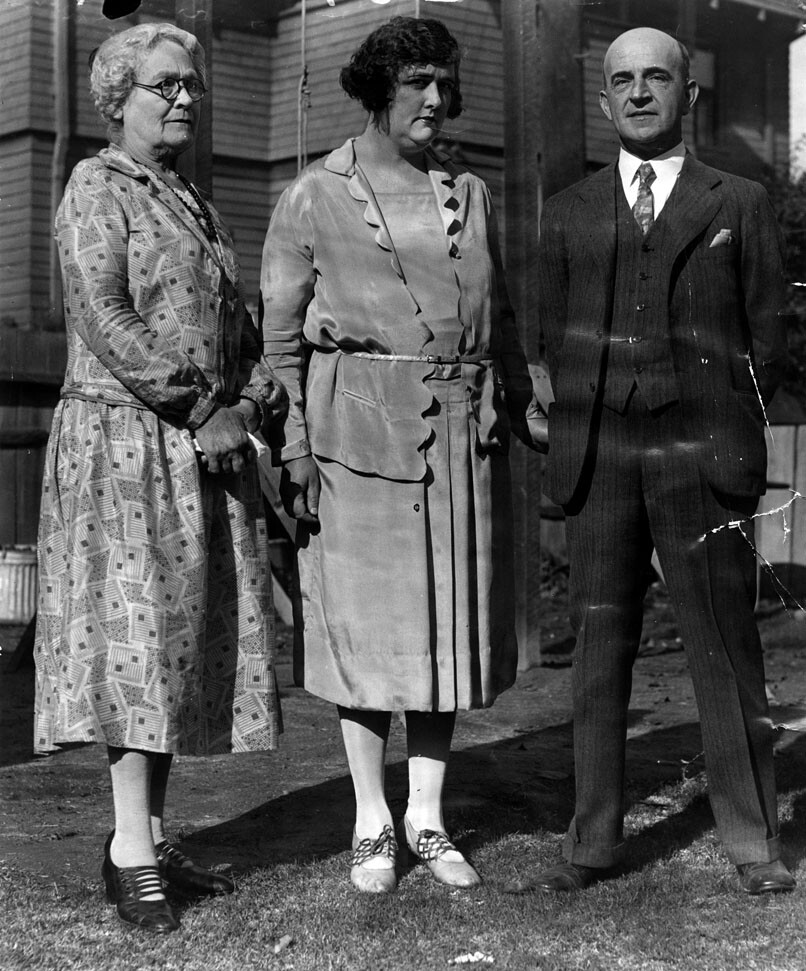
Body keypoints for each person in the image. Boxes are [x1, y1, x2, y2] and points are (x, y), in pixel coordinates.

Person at [260, 16, 546, 895]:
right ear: (378, 89)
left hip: (463, 437)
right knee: (365, 634)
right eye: (418, 82)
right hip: (355, 440)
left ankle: (426, 814)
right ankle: (370, 821)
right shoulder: (315, 195)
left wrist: (522, 405)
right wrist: (297, 451)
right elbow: (279, 343)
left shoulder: (471, 190)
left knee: (441, 629)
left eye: (444, 83)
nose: (436, 99)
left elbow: (504, 319)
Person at [518, 26, 794, 896]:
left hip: (700, 455)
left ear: (688, 96)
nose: (640, 93)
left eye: (657, 79)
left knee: (724, 644)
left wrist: (728, 430)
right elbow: (543, 336)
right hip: (600, 455)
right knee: (602, 647)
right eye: (623, 81)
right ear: (605, 101)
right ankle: (593, 838)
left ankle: (753, 841)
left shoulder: (737, 201)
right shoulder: (565, 211)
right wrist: (561, 422)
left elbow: (769, 338)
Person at [33, 23, 288, 933]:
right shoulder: (96, 188)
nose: (184, 98)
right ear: (118, 98)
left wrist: (256, 393)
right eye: (163, 86)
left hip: (197, 445)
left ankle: (144, 831)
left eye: (190, 85)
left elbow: (233, 327)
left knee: (176, 644)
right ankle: (128, 851)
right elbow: (102, 311)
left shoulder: (191, 199)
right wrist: (199, 405)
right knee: (135, 648)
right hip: (126, 446)